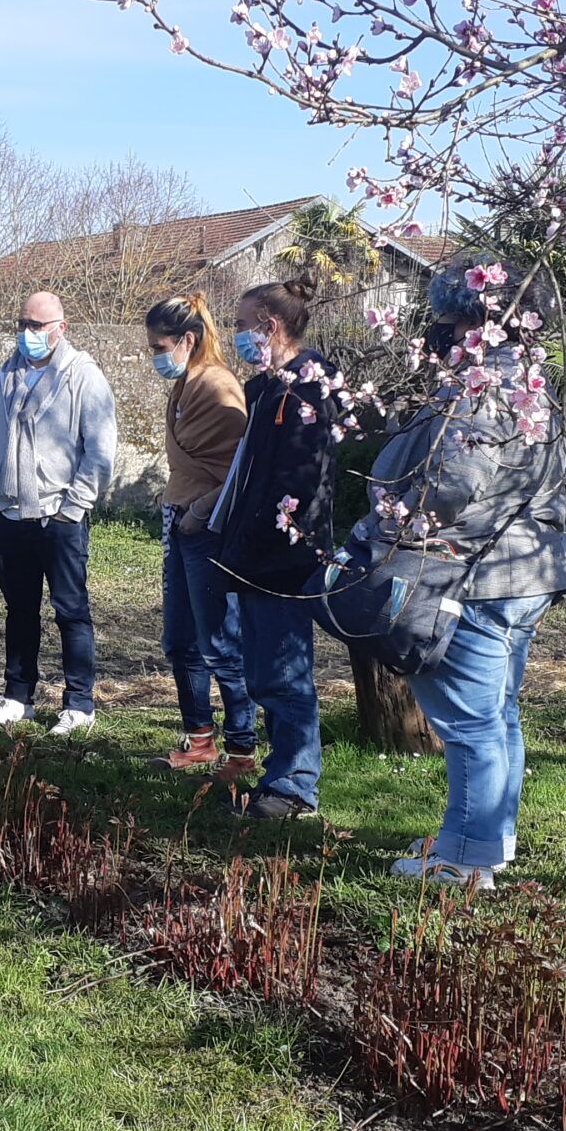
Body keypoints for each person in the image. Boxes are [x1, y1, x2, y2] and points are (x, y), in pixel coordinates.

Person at [366, 259, 566, 883]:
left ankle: (463, 860)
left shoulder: (482, 388)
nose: (439, 336)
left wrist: (394, 516)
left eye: (448, 323)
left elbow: (451, 482)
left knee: (467, 724)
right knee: (497, 716)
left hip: (475, 578)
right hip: (522, 573)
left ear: (480, 322)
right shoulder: (532, 385)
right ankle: (491, 841)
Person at [208, 273, 338, 821]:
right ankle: (278, 774)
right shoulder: (264, 389)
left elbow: (303, 480)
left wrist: (264, 533)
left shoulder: (311, 389)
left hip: (284, 558)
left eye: (241, 325)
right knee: (261, 673)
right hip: (250, 556)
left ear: (271, 324)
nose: (236, 335)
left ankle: (294, 786)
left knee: (286, 674)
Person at [0, 290, 118, 735]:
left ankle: (79, 703)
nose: (28, 334)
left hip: (60, 518)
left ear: (61, 327)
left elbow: (100, 452)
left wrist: (73, 509)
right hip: (9, 519)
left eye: (36, 326)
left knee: (71, 611)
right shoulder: (2, 378)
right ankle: (18, 697)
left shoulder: (84, 377)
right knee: (18, 611)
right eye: (22, 324)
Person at [144, 293, 256, 778]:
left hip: (207, 526)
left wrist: (200, 512)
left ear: (186, 340)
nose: (152, 356)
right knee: (181, 640)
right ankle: (199, 739)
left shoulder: (218, 386)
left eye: (157, 346)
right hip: (181, 518)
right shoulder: (187, 383)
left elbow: (240, 465)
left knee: (219, 642)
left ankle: (242, 748)